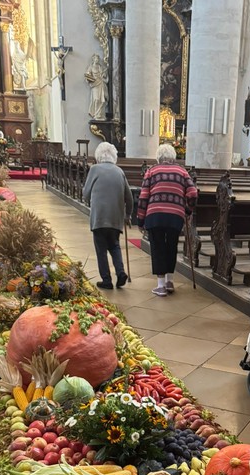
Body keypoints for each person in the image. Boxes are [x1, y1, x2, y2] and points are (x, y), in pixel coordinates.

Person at [136, 143, 198, 297]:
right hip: (175, 216)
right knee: (171, 246)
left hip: (154, 215)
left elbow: (143, 197)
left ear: (159, 157)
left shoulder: (151, 171)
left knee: (157, 248)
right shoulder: (182, 172)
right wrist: (187, 210)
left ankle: (161, 285)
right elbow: (193, 193)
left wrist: (140, 220)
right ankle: (170, 282)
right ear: (173, 157)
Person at [82, 142, 133, 290]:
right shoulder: (119, 171)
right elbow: (129, 198)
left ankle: (106, 280)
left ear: (98, 155)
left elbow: (85, 194)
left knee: (101, 249)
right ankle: (121, 272)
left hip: (99, 217)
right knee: (115, 246)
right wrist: (128, 215)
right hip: (115, 218)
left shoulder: (94, 169)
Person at [86, 54, 109, 119]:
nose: (97, 60)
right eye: (96, 59)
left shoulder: (100, 67)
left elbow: (104, 75)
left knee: (102, 100)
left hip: (101, 83)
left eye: (98, 59)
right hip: (95, 84)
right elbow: (88, 75)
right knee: (96, 99)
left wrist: (104, 74)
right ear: (93, 59)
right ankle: (96, 114)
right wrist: (88, 78)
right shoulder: (91, 67)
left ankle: (100, 115)